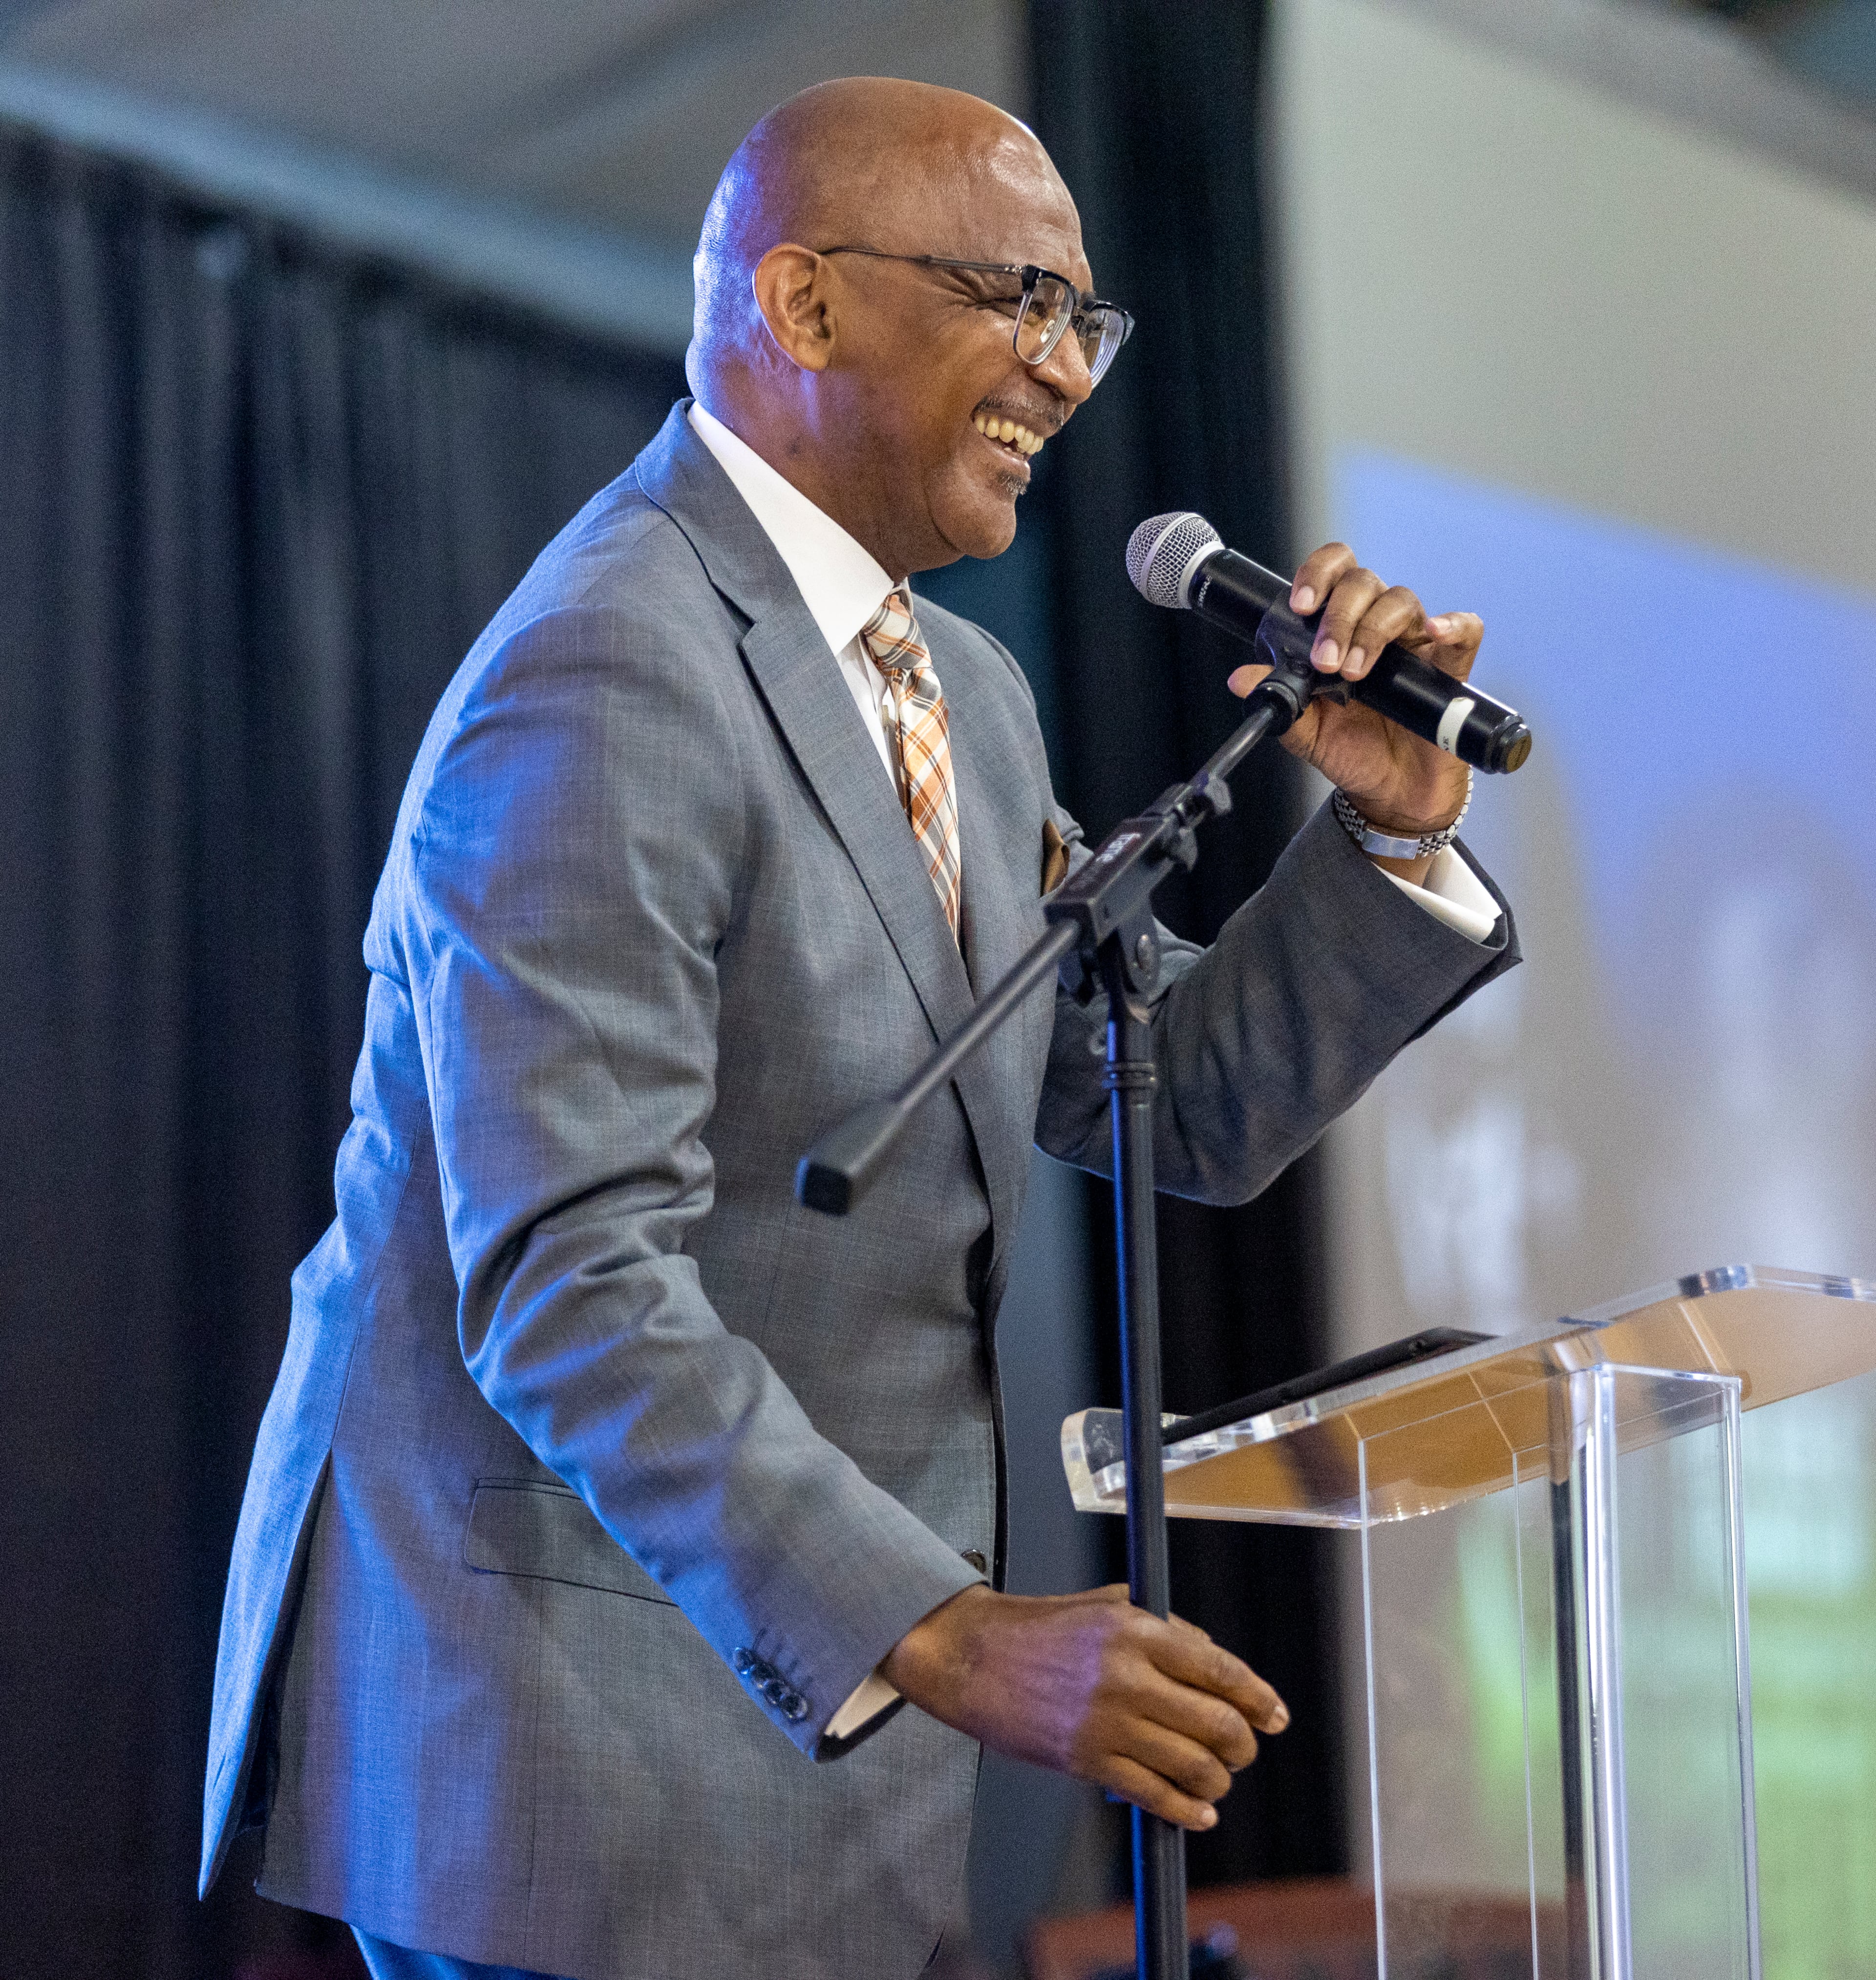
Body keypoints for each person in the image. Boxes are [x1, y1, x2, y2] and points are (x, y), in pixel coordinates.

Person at [201, 76, 1515, 1980]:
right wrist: (951, 1628)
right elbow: (569, 1279)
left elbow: (1161, 1096)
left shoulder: (959, 691)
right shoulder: (608, 670)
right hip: (583, 1745)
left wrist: (1388, 831)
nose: (1067, 372)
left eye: (1088, 318)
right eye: (1014, 297)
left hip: (819, 1745)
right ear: (802, 307)